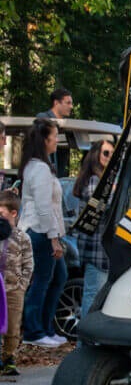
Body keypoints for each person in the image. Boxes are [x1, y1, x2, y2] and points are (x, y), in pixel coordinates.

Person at [19, 119, 68, 347]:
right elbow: (43, 207)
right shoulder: (38, 168)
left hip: (45, 231)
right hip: (40, 232)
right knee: (42, 280)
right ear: (45, 139)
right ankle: (33, 331)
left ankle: (46, 327)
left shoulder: (40, 166)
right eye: (55, 136)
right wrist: (54, 238)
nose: (57, 140)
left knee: (59, 277)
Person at [72, 139, 114, 319]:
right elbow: (101, 207)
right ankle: (85, 340)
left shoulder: (103, 179)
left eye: (112, 153)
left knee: (96, 294)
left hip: (100, 249)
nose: (109, 157)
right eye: (106, 153)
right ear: (95, 154)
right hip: (96, 248)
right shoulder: (95, 181)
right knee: (93, 294)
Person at [0, 191, 35, 375]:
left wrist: (22, 285)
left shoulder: (22, 238)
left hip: (14, 290)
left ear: (13, 213)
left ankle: (9, 358)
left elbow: (29, 263)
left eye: (1, 213)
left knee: (13, 326)